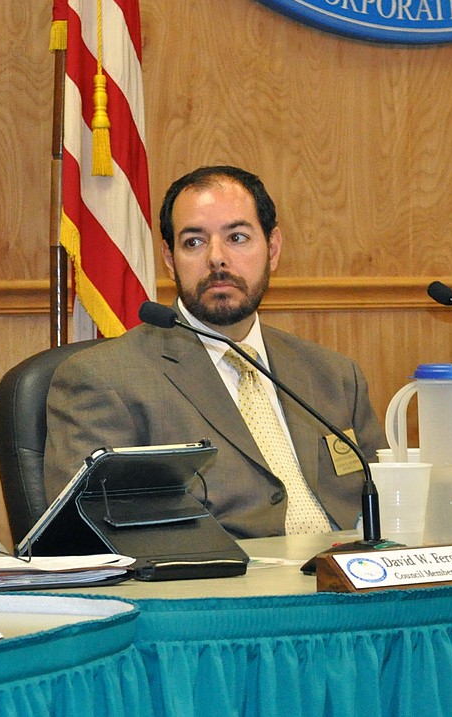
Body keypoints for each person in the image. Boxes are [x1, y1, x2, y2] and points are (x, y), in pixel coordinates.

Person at [43, 165, 387, 539]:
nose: (217, 259)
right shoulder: (105, 379)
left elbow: (389, 497)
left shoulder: (334, 375)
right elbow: (94, 530)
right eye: (194, 242)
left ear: (272, 250)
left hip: (348, 579)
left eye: (237, 238)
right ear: (170, 259)